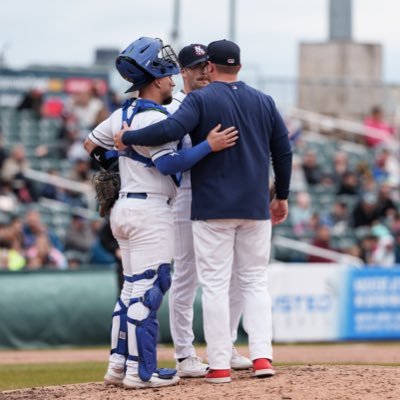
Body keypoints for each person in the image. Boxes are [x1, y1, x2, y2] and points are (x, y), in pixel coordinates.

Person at [114, 39, 292, 383]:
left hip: (211, 204)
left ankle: (221, 363)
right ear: (239, 64)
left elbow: (168, 130)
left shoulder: (200, 99)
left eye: (202, 65)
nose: (199, 71)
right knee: (252, 282)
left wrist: (130, 136)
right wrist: (281, 195)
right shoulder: (264, 100)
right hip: (252, 205)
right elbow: (283, 152)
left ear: (210, 66)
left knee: (215, 284)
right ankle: (262, 357)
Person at [83, 37, 238, 389]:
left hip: (124, 206)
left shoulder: (122, 112)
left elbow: (90, 144)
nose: (171, 82)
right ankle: (142, 372)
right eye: (168, 77)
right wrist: (207, 146)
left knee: (130, 291)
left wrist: (123, 166)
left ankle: (118, 365)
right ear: (155, 80)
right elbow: (171, 164)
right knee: (150, 290)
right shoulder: (155, 115)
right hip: (150, 209)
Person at [166, 44, 251, 378]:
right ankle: (185, 354)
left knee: (234, 276)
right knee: (187, 276)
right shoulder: (172, 105)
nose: (203, 71)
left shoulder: (217, 100)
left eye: (206, 64)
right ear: (182, 71)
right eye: (195, 66)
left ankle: (223, 345)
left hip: (219, 193)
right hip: (184, 193)